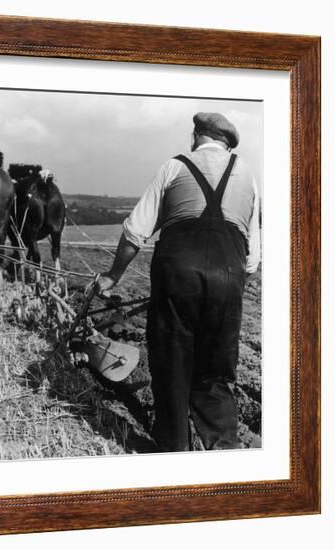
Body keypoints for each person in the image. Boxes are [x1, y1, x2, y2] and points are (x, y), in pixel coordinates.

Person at [94, 112, 261, 452]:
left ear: (198, 136)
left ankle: (174, 450)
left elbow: (134, 232)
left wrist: (112, 276)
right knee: (215, 373)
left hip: (177, 277)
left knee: (171, 365)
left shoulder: (174, 166)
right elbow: (253, 261)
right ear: (227, 142)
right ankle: (226, 452)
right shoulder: (248, 176)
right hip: (228, 281)